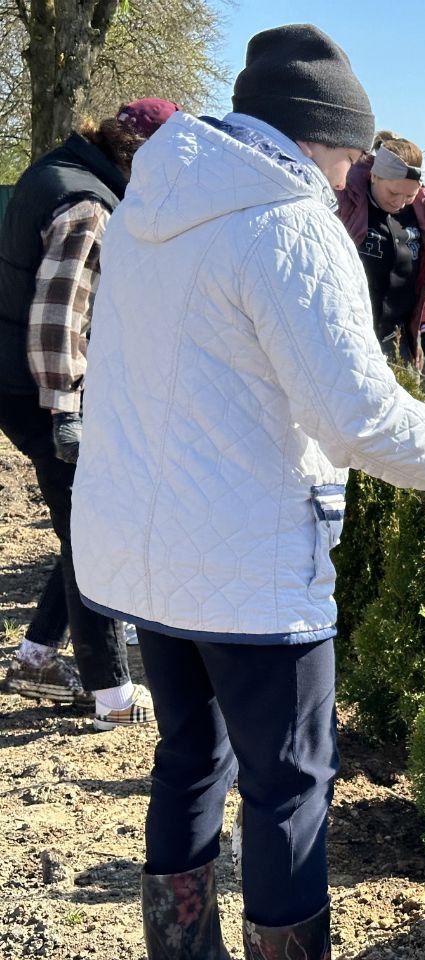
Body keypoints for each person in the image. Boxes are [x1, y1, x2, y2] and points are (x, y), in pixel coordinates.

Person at [69, 24, 425, 959]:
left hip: (155, 562)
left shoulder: (154, 209)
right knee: (291, 786)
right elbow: (357, 415)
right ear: (316, 135)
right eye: (353, 150)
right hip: (252, 566)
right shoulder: (288, 222)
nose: (355, 172)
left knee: (190, 759)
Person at [0, 98, 178, 724]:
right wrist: (66, 408)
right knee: (93, 536)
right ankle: (113, 697)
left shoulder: (60, 169)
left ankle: (35, 654)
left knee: (83, 524)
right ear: (140, 157)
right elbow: (59, 320)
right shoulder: (89, 206)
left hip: (25, 386)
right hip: (46, 395)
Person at [337, 131, 425, 383]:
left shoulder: (421, 213)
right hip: (352, 336)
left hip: (398, 340)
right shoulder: (345, 200)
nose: (400, 203)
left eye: (409, 196)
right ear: (374, 176)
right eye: (393, 193)